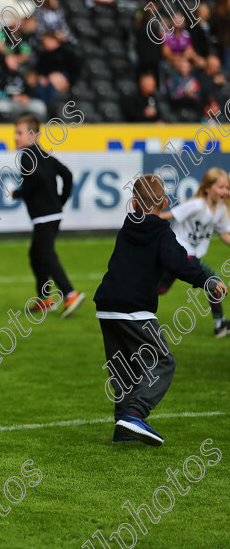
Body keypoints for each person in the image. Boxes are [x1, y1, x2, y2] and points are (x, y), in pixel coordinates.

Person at [94, 173, 227, 446]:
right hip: (135, 310)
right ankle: (135, 414)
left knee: (123, 370)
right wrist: (207, 279)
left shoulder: (127, 226)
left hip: (107, 308)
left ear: (133, 204)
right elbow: (178, 263)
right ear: (164, 202)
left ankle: (122, 428)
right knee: (163, 362)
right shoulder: (161, 232)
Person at [11, 115, 85, 317]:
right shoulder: (45, 156)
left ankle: (70, 293)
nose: (16, 137)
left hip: (44, 216)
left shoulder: (27, 155)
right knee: (36, 256)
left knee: (45, 255)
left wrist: (18, 193)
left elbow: (36, 180)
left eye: (20, 133)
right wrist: (61, 199)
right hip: (51, 214)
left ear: (33, 136)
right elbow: (67, 174)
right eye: (15, 133)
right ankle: (45, 299)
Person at [158, 168, 230, 337]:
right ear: (207, 188)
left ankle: (131, 307)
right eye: (221, 187)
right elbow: (169, 215)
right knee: (214, 282)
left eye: (227, 187)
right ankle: (220, 324)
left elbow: (224, 233)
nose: (225, 191)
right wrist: (144, 221)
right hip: (180, 252)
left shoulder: (220, 209)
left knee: (160, 289)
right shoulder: (196, 205)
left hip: (189, 255)